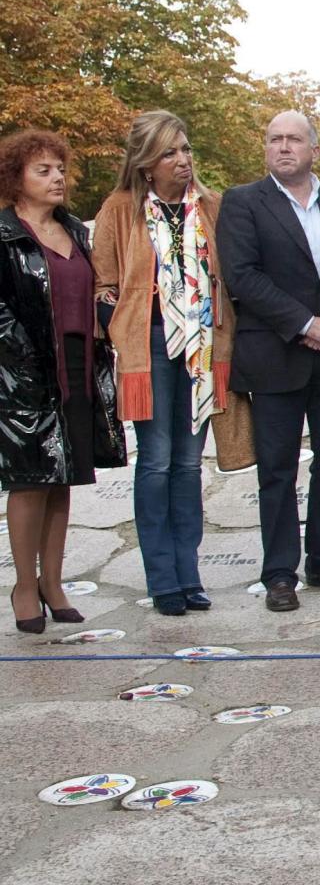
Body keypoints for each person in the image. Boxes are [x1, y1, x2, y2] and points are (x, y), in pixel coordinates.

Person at [216, 112, 320, 612]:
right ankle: (280, 572)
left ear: (314, 151)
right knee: (278, 470)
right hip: (275, 354)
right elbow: (243, 276)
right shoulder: (243, 202)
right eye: (274, 139)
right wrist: (306, 323)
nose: (283, 147)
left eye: (294, 140)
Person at [92, 110, 234, 616]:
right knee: (155, 461)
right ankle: (162, 579)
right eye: (170, 152)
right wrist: (128, 319)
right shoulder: (120, 208)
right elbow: (103, 284)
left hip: (202, 346)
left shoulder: (212, 207)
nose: (182, 160)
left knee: (188, 464)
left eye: (186, 150)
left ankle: (189, 574)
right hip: (148, 346)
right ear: (147, 163)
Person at [0, 130, 123, 632]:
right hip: (22, 371)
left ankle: (53, 581)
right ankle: (24, 588)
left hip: (77, 364)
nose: (57, 178)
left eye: (60, 169)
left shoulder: (75, 229)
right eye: (43, 170)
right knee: (30, 481)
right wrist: (22, 361)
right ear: (16, 179)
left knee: (64, 474)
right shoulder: (5, 235)